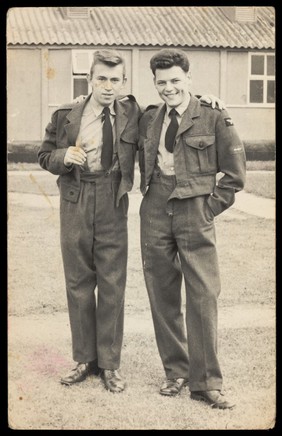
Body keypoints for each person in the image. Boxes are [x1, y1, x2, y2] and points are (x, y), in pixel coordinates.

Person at [38, 48, 225, 394]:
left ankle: (110, 365)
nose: (108, 86)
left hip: (113, 198)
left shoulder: (132, 111)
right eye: (101, 79)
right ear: (90, 80)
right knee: (78, 282)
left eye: (115, 80)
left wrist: (203, 99)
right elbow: (44, 154)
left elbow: (175, 107)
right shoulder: (66, 114)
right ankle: (84, 360)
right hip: (75, 199)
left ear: (123, 82)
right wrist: (63, 156)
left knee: (112, 284)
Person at [138, 48, 246, 409]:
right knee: (162, 293)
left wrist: (208, 208)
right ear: (155, 83)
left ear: (188, 79)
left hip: (195, 206)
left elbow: (234, 176)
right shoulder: (149, 117)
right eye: (162, 82)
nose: (169, 88)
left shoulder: (213, 115)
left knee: (203, 295)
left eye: (175, 81)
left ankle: (206, 382)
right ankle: (177, 372)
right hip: (155, 207)